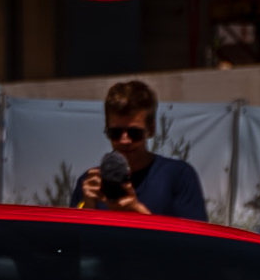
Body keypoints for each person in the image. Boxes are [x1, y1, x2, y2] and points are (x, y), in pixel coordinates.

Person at [76, 79, 207, 220]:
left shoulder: (178, 176)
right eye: (115, 133)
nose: (124, 140)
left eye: (134, 133)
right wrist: (88, 206)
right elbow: (73, 239)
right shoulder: (90, 184)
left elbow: (196, 241)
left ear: (151, 130)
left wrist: (139, 213)